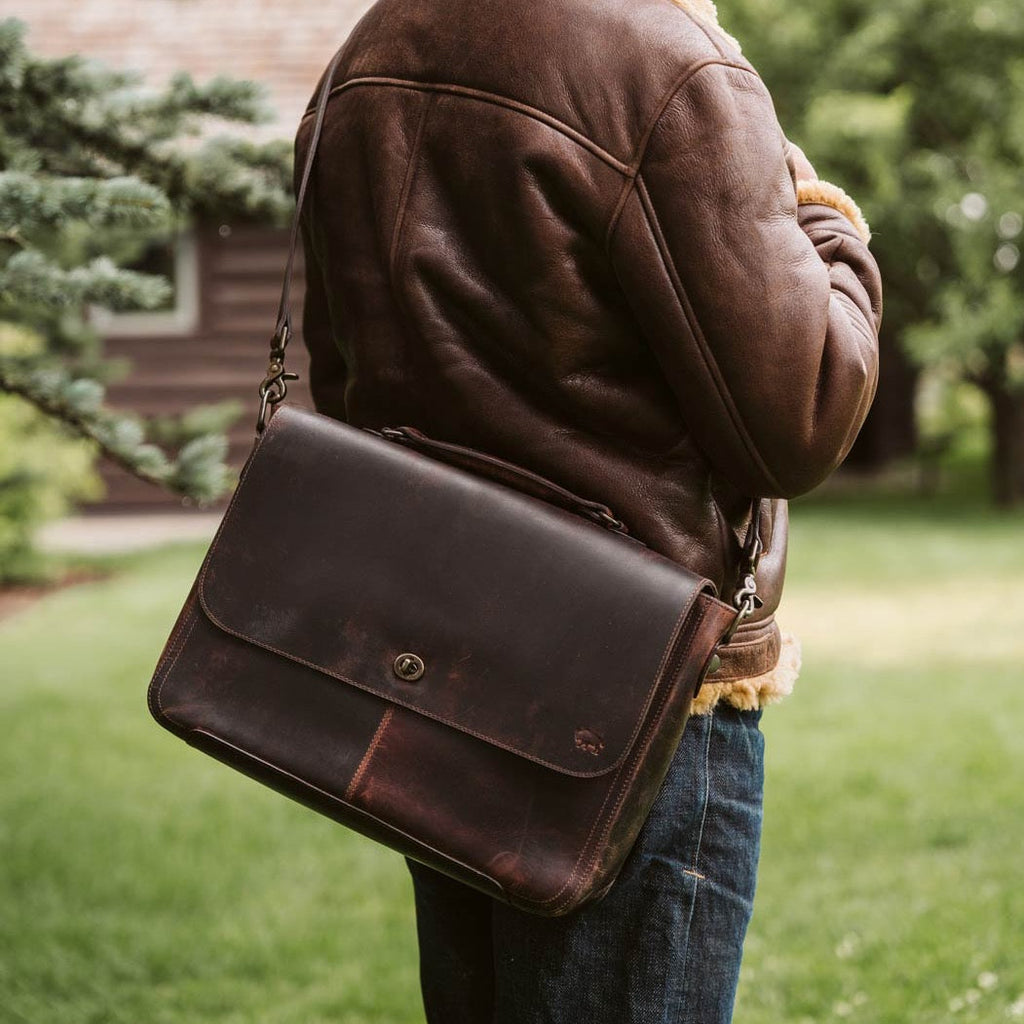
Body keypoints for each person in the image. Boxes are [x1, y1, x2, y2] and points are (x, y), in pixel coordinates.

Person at [293, 0, 883, 1019]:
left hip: (443, 673)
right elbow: (803, 420)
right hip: (634, 698)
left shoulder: (372, 47)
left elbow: (347, 378)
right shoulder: (667, 65)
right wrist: (824, 219)